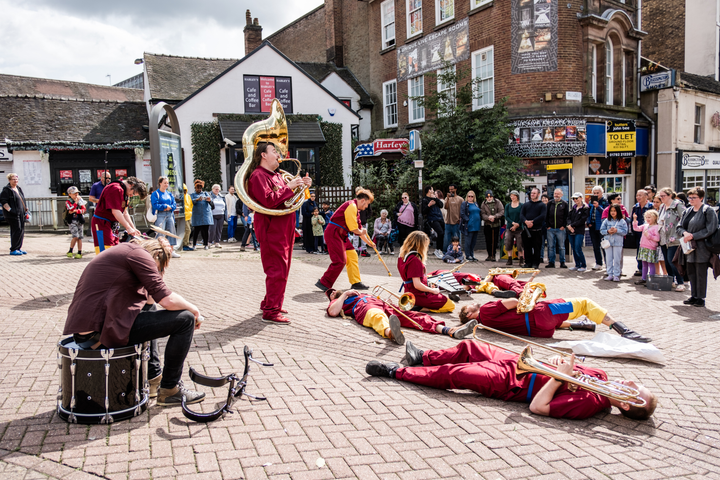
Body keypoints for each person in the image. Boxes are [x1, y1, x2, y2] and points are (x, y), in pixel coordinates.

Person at [62, 237, 205, 406]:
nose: (156, 272)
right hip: (99, 334)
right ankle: (170, 389)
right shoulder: (139, 255)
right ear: (157, 255)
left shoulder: (125, 252)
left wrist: (156, 277)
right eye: (158, 268)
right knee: (185, 320)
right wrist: (194, 310)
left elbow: (150, 302)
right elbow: (167, 300)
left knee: (150, 312)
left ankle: (153, 378)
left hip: (88, 333)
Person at [366, 340, 657, 421]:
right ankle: (423, 357)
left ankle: (396, 372)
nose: (630, 384)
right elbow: (569, 365)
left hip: (513, 385)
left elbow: (539, 408)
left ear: (628, 406)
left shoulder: (588, 406)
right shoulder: (602, 377)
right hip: (523, 364)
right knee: (470, 347)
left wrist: (560, 378)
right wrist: (561, 365)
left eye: (633, 391)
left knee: (456, 375)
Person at [248, 142, 312, 324]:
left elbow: (286, 198)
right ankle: (271, 311)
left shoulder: (276, 175)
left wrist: (301, 187)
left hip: (283, 228)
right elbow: (269, 200)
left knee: (282, 268)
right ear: (263, 155)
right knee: (277, 270)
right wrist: (290, 186)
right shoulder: (258, 176)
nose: (278, 154)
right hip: (271, 229)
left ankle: (272, 302)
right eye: (274, 151)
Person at [459, 296, 651, 341]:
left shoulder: (485, 325)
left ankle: (581, 326)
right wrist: (529, 295)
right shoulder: (485, 310)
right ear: (469, 315)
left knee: (559, 318)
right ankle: (623, 330)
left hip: (541, 331)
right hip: (542, 314)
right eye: (469, 307)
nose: (474, 304)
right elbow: (514, 301)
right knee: (585, 303)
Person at [326, 289, 477, 344]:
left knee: (417, 316)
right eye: (330, 293)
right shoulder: (339, 300)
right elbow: (333, 312)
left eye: (333, 290)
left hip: (383, 304)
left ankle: (448, 330)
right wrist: (344, 294)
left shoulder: (357, 292)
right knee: (377, 317)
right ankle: (391, 333)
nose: (332, 292)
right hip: (364, 308)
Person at [316, 189, 375, 292]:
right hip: (334, 233)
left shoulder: (356, 210)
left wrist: (369, 243)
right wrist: (362, 231)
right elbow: (355, 229)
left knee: (352, 255)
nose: (366, 207)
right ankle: (324, 282)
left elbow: (359, 231)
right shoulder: (351, 206)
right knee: (340, 260)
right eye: (367, 204)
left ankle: (355, 282)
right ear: (362, 201)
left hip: (341, 235)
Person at [677, 187, 719, 308]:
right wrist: (685, 233)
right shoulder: (687, 211)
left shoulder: (708, 210)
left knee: (700, 272)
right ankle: (694, 296)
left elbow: (711, 228)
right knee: (691, 271)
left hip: (702, 247)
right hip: (688, 247)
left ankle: (701, 298)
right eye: (689, 197)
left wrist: (693, 236)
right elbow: (679, 227)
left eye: (694, 197)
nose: (691, 199)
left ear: (701, 198)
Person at [397, 231, 455, 313]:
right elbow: (417, 285)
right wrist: (432, 291)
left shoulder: (402, 257)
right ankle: (421, 308)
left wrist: (428, 284)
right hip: (418, 295)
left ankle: (420, 306)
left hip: (410, 291)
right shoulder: (414, 260)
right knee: (451, 305)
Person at [90, 176, 146, 254]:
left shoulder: (125, 192)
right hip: (102, 223)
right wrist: (128, 227)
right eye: (133, 193)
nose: (131, 195)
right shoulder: (115, 189)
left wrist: (133, 228)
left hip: (112, 224)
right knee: (105, 251)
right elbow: (116, 211)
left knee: (114, 250)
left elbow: (125, 213)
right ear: (132, 185)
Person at [657, 187, 686, 291]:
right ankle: (671, 280)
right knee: (666, 260)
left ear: (670, 195)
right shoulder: (661, 206)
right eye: (660, 196)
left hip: (674, 236)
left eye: (663, 196)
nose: (661, 198)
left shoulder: (677, 204)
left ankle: (681, 282)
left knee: (672, 260)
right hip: (663, 237)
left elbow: (685, 218)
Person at [151, 176, 181, 258]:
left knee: (171, 232)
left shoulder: (169, 193)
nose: (166, 185)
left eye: (167, 183)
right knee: (160, 233)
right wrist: (164, 206)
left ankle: (171, 251)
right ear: (160, 183)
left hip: (170, 214)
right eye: (164, 183)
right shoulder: (155, 194)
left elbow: (174, 204)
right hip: (160, 214)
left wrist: (171, 207)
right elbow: (154, 205)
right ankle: (159, 252)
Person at [1, 173, 30, 256]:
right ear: (9, 180)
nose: (15, 181)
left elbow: (22, 199)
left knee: (21, 230)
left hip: (21, 213)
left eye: (17, 179)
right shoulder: (6, 190)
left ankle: (18, 248)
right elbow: (3, 201)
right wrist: (10, 210)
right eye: (13, 179)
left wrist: (25, 209)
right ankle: (13, 249)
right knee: (16, 230)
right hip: (12, 214)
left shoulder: (18, 188)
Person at [600, 204, 628, 282]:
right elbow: (602, 230)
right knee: (608, 259)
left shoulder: (622, 221)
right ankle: (609, 274)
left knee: (617, 259)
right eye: (611, 211)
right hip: (608, 243)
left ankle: (616, 275)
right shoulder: (606, 220)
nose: (613, 212)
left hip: (618, 243)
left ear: (618, 212)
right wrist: (608, 231)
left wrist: (617, 231)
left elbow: (625, 232)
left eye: (614, 211)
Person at [632, 210, 661, 285]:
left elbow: (657, 238)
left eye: (649, 217)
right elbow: (636, 228)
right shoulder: (645, 225)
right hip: (643, 247)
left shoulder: (656, 227)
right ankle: (644, 278)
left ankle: (651, 280)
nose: (647, 219)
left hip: (651, 248)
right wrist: (635, 220)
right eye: (646, 217)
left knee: (651, 264)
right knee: (644, 264)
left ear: (655, 217)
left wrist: (649, 236)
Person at [520, 187, 547, 268]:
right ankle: (528, 263)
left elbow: (542, 216)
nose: (532, 194)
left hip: (537, 230)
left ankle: (535, 263)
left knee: (537, 248)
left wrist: (533, 222)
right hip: (526, 230)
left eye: (534, 193)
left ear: (538, 194)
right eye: (531, 193)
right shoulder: (526, 204)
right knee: (527, 247)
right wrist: (526, 221)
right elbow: (521, 215)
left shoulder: (542, 205)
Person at [630, 190, 652, 277]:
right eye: (637, 195)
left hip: (649, 233)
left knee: (649, 251)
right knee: (639, 251)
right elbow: (632, 218)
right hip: (638, 232)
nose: (638, 197)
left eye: (640, 195)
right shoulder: (635, 207)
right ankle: (640, 269)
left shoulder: (651, 206)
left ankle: (650, 270)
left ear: (646, 196)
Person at [545, 189, 568, 269]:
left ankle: (562, 262)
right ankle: (551, 262)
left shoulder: (564, 204)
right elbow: (546, 215)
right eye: (555, 193)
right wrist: (547, 225)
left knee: (561, 246)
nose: (556, 195)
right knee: (551, 246)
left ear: (561, 195)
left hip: (560, 229)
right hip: (550, 229)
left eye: (558, 194)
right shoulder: (550, 203)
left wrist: (564, 226)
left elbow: (566, 216)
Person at [587, 186, 608, 270]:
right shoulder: (591, 201)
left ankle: (608, 264)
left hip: (602, 227)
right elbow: (588, 213)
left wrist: (598, 206)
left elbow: (606, 213)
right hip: (593, 226)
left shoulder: (605, 201)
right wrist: (588, 222)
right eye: (594, 193)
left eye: (597, 193)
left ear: (601, 193)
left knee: (604, 246)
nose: (595, 194)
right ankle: (598, 263)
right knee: (596, 246)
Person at [567, 192, 589, 272]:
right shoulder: (573, 208)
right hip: (571, 231)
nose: (575, 200)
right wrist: (569, 226)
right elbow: (568, 218)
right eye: (574, 198)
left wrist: (572, 225)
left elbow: (582, 220)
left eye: (577, 198)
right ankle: (577, 265)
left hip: (579, 231)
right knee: (573, 248)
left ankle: (583, 265)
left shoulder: (585, 208)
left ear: (581, 198)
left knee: (577, 248)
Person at [421, 186, 445, 258]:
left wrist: (435, 198)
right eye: (432, 189)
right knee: (440, 232)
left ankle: (439, 250)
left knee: (442, 234)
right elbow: (423, 212)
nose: (433, 190)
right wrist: (429, 205)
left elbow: (441, 205)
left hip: (440, 218)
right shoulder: (425, 200)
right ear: (429, 190)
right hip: (432, 219)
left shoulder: (434, 198)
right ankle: (437, 249)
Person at [480, 190, 504, 262]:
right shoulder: (483, 204)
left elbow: (501, 211)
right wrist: (488, 218)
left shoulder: (497, 202)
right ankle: (489, 255)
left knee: (494, 241)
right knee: (488, 240)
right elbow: (482, 214)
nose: (489, 198)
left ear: (492, 196)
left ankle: (493, 255)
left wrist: (495, 216)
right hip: (487, 224)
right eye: (487, 197)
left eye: (490, 196)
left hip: (496, 224)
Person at [190, 180, 213, 250]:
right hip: (197, 216)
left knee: (205, 230)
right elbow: (192, 202)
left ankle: (206, 244)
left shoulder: (206, 194)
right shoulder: (192, 195)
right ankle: (194, 244)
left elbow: (212, 204)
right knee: (196, 231)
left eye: (200, 188)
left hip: (205, 215)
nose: (199, 190)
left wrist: (209, 200)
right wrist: (197, 199)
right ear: (195, 188)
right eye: (197, 188)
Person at [65, 186, 87, 259]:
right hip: (72, 221)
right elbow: (70, 209)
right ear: (69, 194)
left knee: (80, 237)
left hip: (79, 220)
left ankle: (79, 252)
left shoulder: (80, 200)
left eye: (77, 193)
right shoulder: (68, 202)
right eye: (74, 193)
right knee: (75, 236)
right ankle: (70, 250)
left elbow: (83, 210)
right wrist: (76, 203)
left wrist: (76, 211)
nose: (76, 195)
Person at [503, 190, 523, 266]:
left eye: (514, 196)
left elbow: (522, 216)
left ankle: (521, 259)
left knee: (520, 243)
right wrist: (513, 223)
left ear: (517, 196)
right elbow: (506, 216)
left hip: (519, 228)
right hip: (510, 227)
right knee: (508, 242)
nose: (512, 197)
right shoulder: (508, 206)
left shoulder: (521, 205)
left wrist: (517, 224)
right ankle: (509, 259)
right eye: (511, 196)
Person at [461, 191, 481, 262]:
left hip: (476, 225)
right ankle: (468, 255)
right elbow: (462, 213)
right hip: (469, 225)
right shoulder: (465, 204)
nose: (470, 198)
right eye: (469, 196)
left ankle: (472, 255)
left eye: (472, 196)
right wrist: (467, 220)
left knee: (473, 241)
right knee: (468, 241)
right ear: (467, 196)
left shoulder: (476, 204)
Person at [443, 184, 463, 253]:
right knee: (446, 239)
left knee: (457, 239)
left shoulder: (460, 199)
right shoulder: (447, 198)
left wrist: (460, 219)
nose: (451, 191)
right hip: (448, 222)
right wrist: (448, 198)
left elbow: (462, 210)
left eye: (452, 189)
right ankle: (445, 252)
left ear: (455, 189)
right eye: (450, 189)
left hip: (456, 222)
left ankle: (458, 252)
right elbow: (445, 207)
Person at [181, 184, 194, 251]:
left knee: (188, 230)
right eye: (183, 190)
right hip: (184, 216)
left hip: (188, 215)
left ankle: (186, 244)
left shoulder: (188, 196)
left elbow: (191, 205)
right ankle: (184, 244)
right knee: (187, 230)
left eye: (185, 190)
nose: (185, 191)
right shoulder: (181, 196)